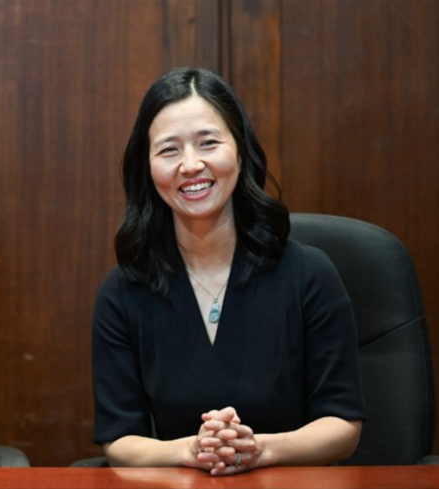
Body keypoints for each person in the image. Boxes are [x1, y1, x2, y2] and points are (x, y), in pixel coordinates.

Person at [91, 67, 365, 476]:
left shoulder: (309, 274)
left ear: (240, 150)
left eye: (208, 143)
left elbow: (342, 426)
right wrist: (192, 450)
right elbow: (120, 441)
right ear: (147, 167)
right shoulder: (124, 290)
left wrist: (260, 449)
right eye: (168, 150)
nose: (190, 165)